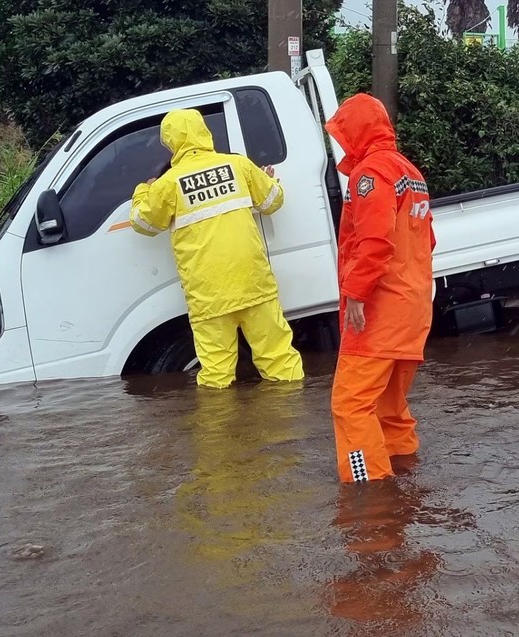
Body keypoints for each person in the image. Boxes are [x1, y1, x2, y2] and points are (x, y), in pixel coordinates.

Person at [129, 108, 304, 389]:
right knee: (279, 359)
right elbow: (272, 201)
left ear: (172, 143)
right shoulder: (238, 166)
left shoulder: (167, 184)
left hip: (209, 294)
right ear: (204, 132)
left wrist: (143, 191)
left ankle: (216, 431)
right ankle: (296, 425)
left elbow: (144, 224)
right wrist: (268, 180)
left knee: (216, 375)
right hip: (253, 283)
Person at [325, 93, 436, 484]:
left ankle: (368, 493)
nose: (340, 143)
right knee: (390, 407)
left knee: (350, 405)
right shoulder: (410, 172)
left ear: (356, 132)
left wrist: (356, 293)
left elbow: (374, 241)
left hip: (379, 311)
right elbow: (427, 242)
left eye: (342, 134)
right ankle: (404, 478)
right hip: (412, 309)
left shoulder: (369, 174)